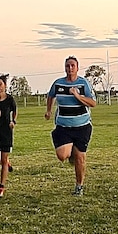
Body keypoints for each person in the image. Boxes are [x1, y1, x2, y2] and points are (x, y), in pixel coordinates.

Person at [44, 56, 97, 196]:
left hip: (82, 126)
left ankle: (79, 186)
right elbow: (50, 96)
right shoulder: (58, 83)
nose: (70, 68)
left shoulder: (83, 83)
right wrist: (49, 110)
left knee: (80, 158)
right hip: (63, 126)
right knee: (62, 156)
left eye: (73, 65)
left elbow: (93, 103)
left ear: (77, 68)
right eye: (68, 66)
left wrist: (77, 96)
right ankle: (70, 152)